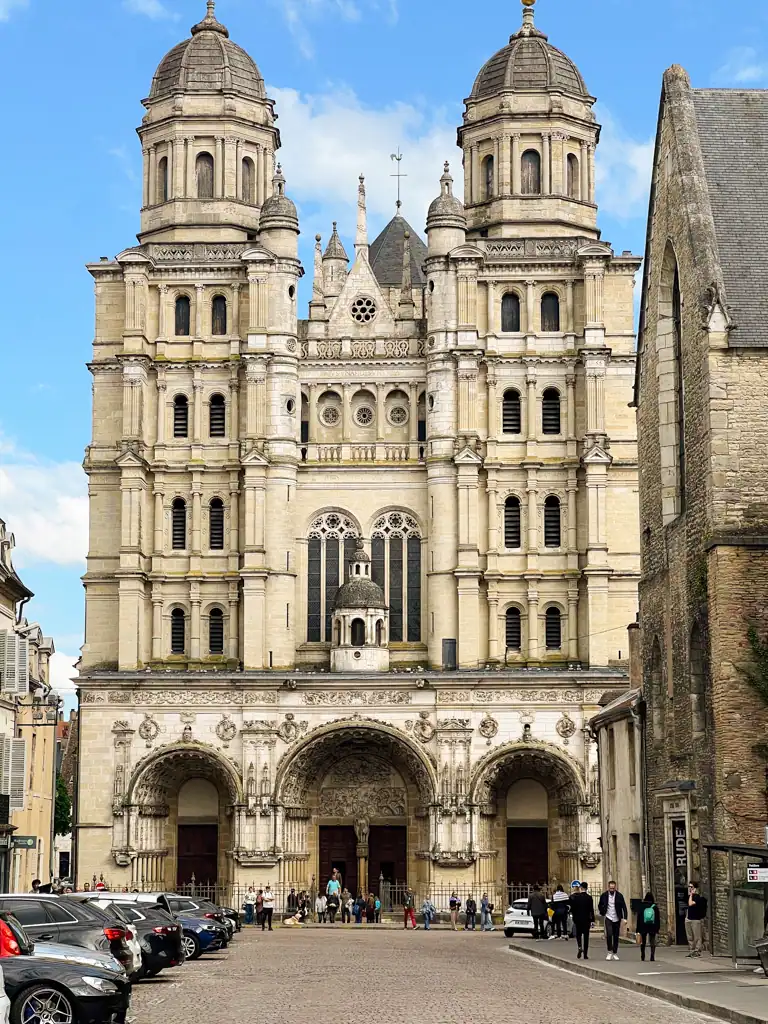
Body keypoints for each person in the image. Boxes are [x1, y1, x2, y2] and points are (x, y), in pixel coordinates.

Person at [598, 880, 628, 960]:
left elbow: (624, 907)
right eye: (610, 888)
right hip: (608, 917)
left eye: (613, 888)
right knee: (609, 934)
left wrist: (625, 918)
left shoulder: (619, 896)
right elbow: (600, 905)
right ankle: (609, 951)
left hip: (617, 917)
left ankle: (615, 952)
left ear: (615, 888)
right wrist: (602, 911)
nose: (612, 890)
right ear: (608, 887)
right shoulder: (604, 895)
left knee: (616, 935)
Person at [570, 882, 595, 960]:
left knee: (578, 934)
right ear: (587, 888)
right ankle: (585, 955)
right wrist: (592, 920)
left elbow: (573, 909)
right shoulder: (589, 898)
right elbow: (591, 910)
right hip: (586, 920)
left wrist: (574, 917)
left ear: (581, 888)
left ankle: (580, 947)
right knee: (586, 936)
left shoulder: (576, 897)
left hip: (578, 919)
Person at [636, 892, 660, 962]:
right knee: (652, 941)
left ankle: (643, 954)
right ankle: (652, 955)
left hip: (643, 926)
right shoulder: (654, 907)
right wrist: (657, 928)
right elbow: (658, 919)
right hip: (652, 926)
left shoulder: (641, 906)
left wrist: (638, 929)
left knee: (643, 941)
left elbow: (639, 918)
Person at [686, 882, 708, 958]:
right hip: (689, 918)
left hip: (695, 919)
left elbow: (690, 904)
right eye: (689, 887)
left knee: (697, 936)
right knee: (690, 936)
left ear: (695, 888)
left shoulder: (698, 897)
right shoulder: (689, 896)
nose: (690, 888)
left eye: (691, 887)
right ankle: (691, 950)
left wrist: (692, 894)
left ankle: (697, 951)